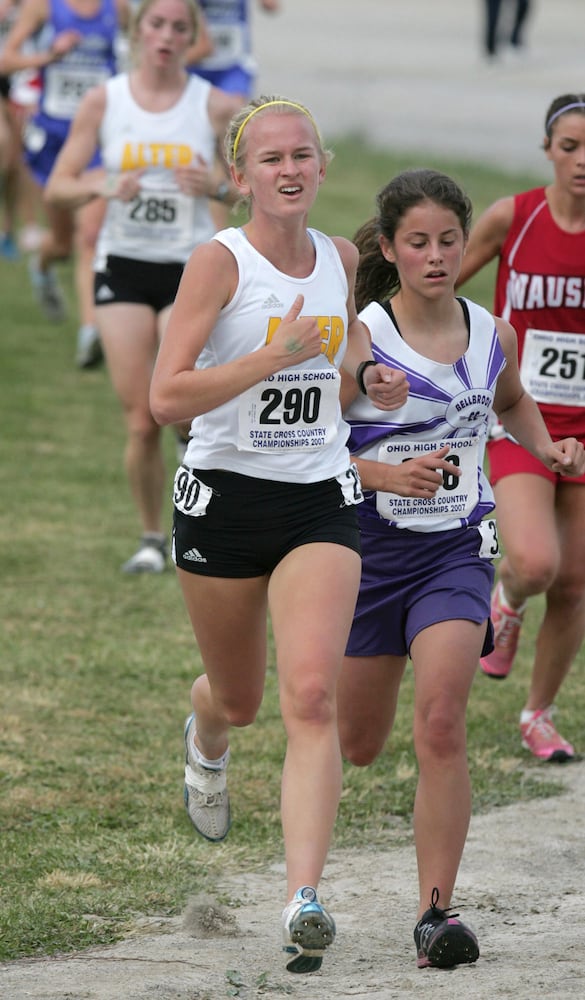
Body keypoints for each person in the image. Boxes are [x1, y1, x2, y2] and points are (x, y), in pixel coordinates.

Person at [149, 95, 409, 973]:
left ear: (323, 166)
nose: (289, 170)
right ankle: (206, 734)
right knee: (243, 698)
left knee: (310, 698)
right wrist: (273, 355)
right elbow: (166, 397)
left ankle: (304, 897)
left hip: (317, 499)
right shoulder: (217, 264)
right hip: (222, 498)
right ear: (239, 177)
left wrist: (371, 377)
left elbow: (340, 360)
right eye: (270, 159)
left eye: (303, 155)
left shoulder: (340, 258)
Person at [336, 168, 584, 969]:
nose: (437, 256)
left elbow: (510, 400)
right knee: (358, 743)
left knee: (441, 722)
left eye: (448, 240)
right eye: (419, 243)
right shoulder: (358, 339)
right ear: (389, 248)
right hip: (367, 559)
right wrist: (381, 475)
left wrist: (540, 441)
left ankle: (435, 915)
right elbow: (311, 451)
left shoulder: (491, 331)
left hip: (455, 550)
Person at [45, 0, 242, 573]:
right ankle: (152, 540)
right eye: (156, 24)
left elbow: (254, 184)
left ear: (193, 39)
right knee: (140, 417)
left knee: (181, 410)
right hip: (124, 264)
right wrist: (106, 183)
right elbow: (59, 186)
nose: (167, 35)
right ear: (136, 32)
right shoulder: (105, 100)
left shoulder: (214, 105)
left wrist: (214, 184)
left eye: (180, 27)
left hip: (190, 269)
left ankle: (199, 507)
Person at [456, 93, 585, 763]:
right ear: (547, 151)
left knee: (573, 584)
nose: (582, 161)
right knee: (535, 563)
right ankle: (504, 599)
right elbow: (441, 281)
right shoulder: (516, 216)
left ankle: (538, 713)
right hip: (522, 417)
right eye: (569, 147)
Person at [0, 0, 127, 367]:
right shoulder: (43, 8)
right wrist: (48, 57)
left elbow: (140, 53)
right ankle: (42, 266)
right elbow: (6, 61)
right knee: (60, 243)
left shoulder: (116, 9)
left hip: (100, 140)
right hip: (55, 141)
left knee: (89, 236)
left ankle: (90, 333)